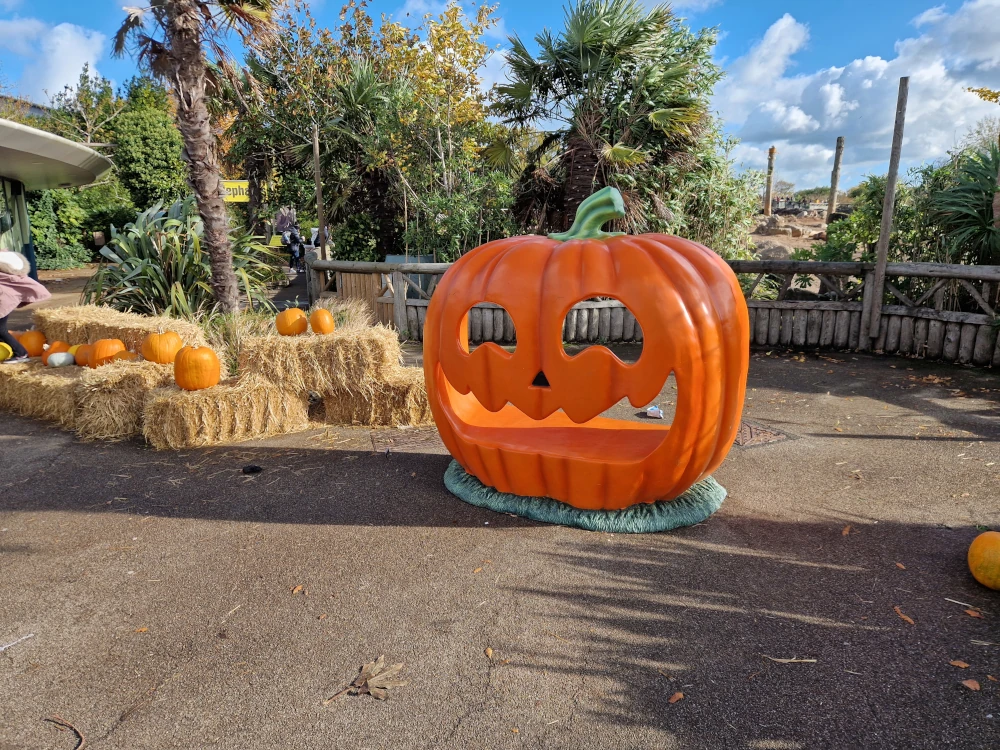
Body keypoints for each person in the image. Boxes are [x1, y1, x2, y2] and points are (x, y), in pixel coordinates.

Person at [0, 250, 51, 364]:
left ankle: (21, 354)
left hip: (3, 302)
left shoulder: (5, 273)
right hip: (4, 300)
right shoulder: (7, 270)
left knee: (1, 330)